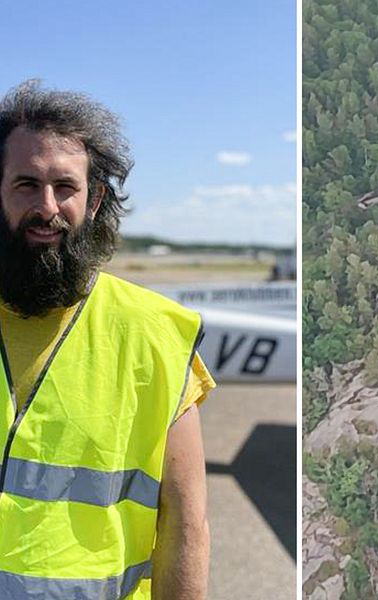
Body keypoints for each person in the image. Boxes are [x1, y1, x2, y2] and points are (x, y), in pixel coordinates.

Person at [0, 80, 215, 599]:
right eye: (26, 184)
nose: (47, 206)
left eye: (65, 187)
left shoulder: (156, 336)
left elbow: (185, 527)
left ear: (94, 200)